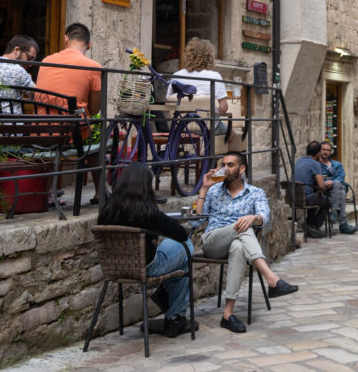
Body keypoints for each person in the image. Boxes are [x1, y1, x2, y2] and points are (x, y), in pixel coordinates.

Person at [195, 151, 298, 333]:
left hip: (237, 242)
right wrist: (203, 189)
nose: (225, 168)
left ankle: (227, 315)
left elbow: (264, 217)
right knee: (242, 228)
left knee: (239, 246)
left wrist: (253, 217)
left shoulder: (255, 193)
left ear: (241, 169)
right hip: (213, 242)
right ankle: (272, 279)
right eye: (223, 165)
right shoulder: (213, 191)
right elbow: (196, 221)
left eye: (230, 165)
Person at [98, 162, 194, 338]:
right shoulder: (147, 212)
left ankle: (169, 299)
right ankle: (175, 315)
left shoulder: (107, 209)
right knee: (186, 246)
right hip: (147, 268)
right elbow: (180, 233)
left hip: (115, 268)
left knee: (172, 249)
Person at [35, 23, 102, 202]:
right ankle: (100, 192)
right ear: (89, 45)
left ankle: (48, 193)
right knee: (96, 137)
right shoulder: (93, 66)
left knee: (69, 128)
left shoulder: (46, 60)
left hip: (43, 130)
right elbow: (95, 110)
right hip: (73, 134)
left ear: (65, 38)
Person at [166, 37, 234, 142]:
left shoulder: (177, 75)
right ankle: (223, 158)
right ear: (209, 57)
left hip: (182, 128)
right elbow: (224, 107)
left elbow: (168, 105)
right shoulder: (215, 76)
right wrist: (215, 113)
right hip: (209, 126)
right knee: (232, 134)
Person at [0, 35, 38, 114]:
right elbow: (38, 97)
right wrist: (28, 79)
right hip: (11, 124)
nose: (30, 64)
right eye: (30, 58)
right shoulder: (18, 70)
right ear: (16, 50)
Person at [319, 141, 357, 234]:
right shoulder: (317, 165)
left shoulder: (337, 164)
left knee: (338, 186)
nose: (326, 152)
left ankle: (335, 210)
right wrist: (325, 182)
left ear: (330, 152)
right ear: (319, 151)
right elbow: (316, 178)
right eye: (324, 149)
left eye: (328, 150)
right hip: (324, 191)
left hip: (336, 189)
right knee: (342, 192)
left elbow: (341, 177)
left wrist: (333, 182)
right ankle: (343, 225)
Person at [295, 140, 330, 238]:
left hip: (293, 197)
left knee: (316, 195)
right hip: (305, 198)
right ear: (318, 153)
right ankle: (313, 225)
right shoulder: (315, 164)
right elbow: (321, 186)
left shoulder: (299, 160)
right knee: (327, 201)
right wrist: (326, 185)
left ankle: (309, 223)